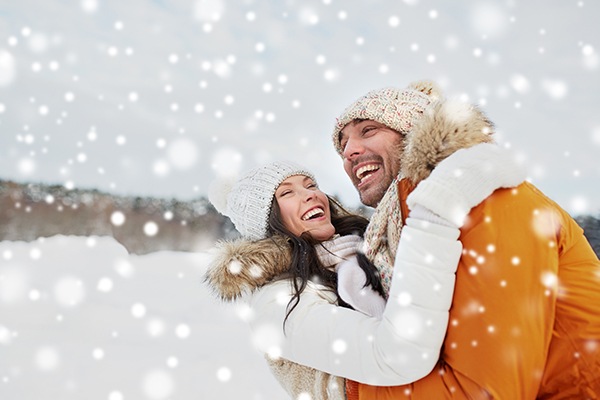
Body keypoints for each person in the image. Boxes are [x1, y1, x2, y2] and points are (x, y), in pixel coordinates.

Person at [331, 80, 600, 398]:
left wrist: (350, 387)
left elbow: (483, 389)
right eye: (342, 144)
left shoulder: (483, 194)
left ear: (412, 131)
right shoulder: (409, 224)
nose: (348, 151)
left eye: (368, 130)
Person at [205, 156, 524, 399]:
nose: (310, 195)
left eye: (310, 184)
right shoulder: (274, 301)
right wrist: (432, 221)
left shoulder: (362, 248)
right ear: (267, 223)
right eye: (287, 193)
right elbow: (395, 353)